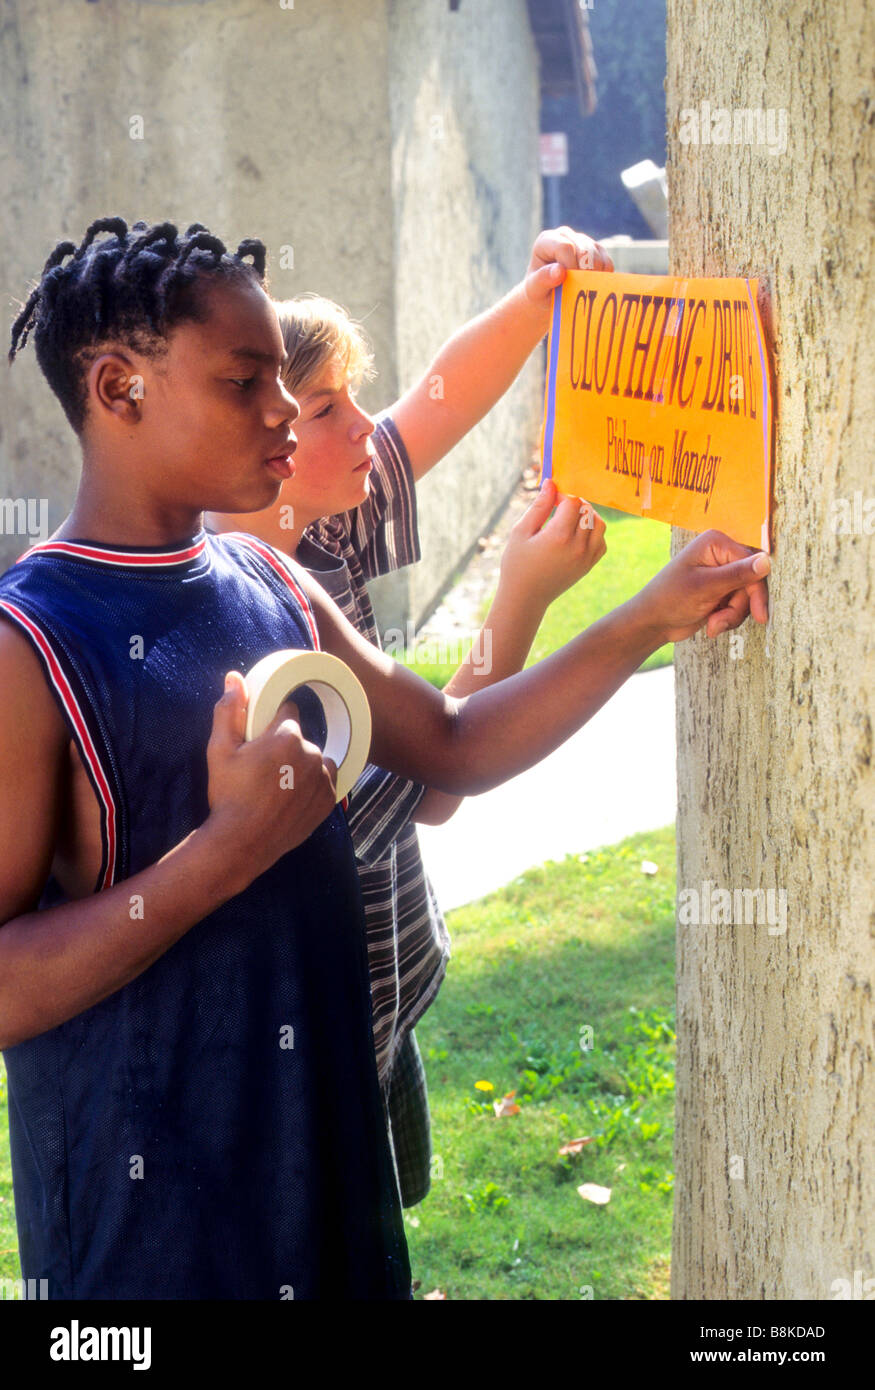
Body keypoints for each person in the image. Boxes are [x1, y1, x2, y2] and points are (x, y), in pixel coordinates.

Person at [0, 217, 770, 1300]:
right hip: (151, 1240)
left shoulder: (273, 584)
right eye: (245, 379)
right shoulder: (29, 645)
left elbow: (454, 742)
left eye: (281, 378)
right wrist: (229, 850)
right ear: (121, 389)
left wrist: (649, 612)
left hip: (324, 1181)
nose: (280, 408)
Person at [206, 232, 612, 1207]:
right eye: (328, 409)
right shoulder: (261, 643)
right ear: (260, 435)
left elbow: (437, 399)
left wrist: (536, 297)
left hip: (387, 982)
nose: (364, 431)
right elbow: (437, 781)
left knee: (402, 1206)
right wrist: (518, 596)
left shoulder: (316, 510)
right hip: (317, 1040)